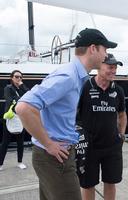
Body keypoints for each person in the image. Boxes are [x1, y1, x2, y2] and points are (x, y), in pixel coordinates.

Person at [15, 28, 117, 200]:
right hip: (54, 157)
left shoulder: (75, 76)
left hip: (53, 155)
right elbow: (23, 108)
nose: (106, 55)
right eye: (105, 50)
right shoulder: (68, 77)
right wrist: (49, 144)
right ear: (93, 48)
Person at [76, 53, 127, 200]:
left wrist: (121, 135)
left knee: (111, 182)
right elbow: (73, 114)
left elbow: (122, 114)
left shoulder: (118, 90)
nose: (114, 71)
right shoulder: (85, 87)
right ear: (99, 67)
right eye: (110, 67)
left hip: (112, 147)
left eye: (115, 68)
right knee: (87, 184)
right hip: (89, 147)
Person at [0, 70, 29, 171]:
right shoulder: (8, 88)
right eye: (17, 77)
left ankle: (20, 162)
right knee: (5, 142)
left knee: (20, 142)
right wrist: (21, 101)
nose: (19, 79)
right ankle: (0, 164)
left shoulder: (21, 88)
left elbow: (29, 95)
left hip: (21, 118)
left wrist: (21, 86)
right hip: (11, 117)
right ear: (11, 78)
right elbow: (10, 100)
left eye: (21, 77)